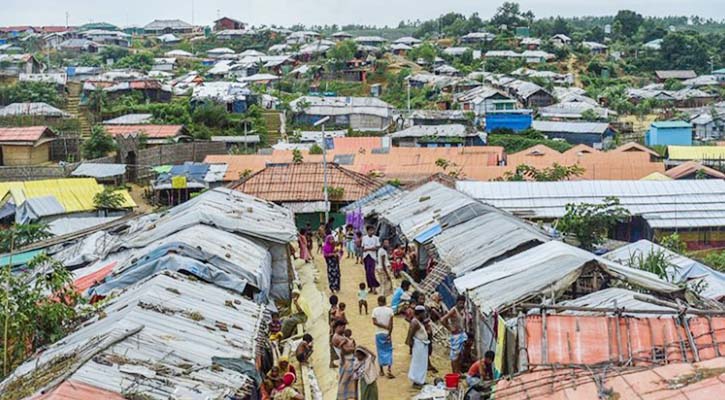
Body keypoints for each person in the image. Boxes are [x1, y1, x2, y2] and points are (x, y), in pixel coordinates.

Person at [441, 295, 469, 374]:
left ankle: (458, 372)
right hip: (455, 335)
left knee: (459, 355)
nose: (461, 305)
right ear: (457, 302)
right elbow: (443, 320)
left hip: (461, 334)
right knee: (454, 357)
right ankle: (454, 373)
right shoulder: (453, 310)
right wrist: (450, 328)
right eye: (460, 303)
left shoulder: (462, 311)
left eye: (463, 303)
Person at [332, 320, 357, 400]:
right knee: (344, 382)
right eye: (343, 327)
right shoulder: (337, 337)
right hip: (346, 362)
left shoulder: (340, 336)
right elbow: (345, 350)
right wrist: (353, 348)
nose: (344, 329)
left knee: (348, 383)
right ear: (338, 327)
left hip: (348, 361)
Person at [371, 295, 394, 379]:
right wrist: (389, 333)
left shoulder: (375, 310)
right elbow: (391, 324)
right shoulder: (390, 311)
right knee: (389, 350)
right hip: (387, 333)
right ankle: (389, 369)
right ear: (385, 301)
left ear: (378, 302)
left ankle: (381, 370)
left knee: (380, 351)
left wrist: (383, 326)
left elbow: (374, 322)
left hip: (378, 333)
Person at [406, 305, 430, 388]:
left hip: (422, 344)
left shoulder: (418, 321)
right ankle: (416, 381)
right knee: (418, 363)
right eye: (423, 313)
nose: (424, 315)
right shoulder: (415, 322)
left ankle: (420, 380)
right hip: (419, 345)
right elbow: (410, 334)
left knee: (422, 363)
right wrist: (410, 344)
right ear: (420, 313)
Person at [361, 226, 381, 293]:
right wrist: (361, 257)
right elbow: (362, 248)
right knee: (367, 273)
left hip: (372, 257)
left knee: (371, 272)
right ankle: (370, 287)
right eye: (370, 230)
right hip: (365, 257)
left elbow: (377, 247)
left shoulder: (376, 238)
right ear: (367, 231)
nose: (371, 232)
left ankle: (374, 287)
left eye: (372, 230)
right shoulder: (364, 238)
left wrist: (368, 249)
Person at [329, 295, 340, 368]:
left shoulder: (330, 310)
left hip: (331, 331)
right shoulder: (338, 310)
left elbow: (329, 322)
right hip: (337, 331)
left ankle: (331, 362)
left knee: (332, 347)